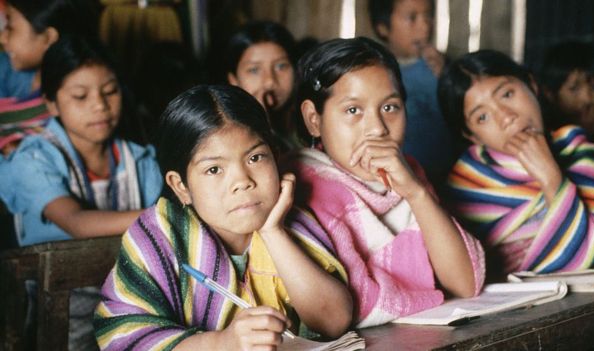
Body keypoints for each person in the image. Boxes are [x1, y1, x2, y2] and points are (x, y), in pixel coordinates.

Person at [93, 85, 353, 350]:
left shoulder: (293, 222)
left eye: (255, 157)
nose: (242, 181)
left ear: (275, 158)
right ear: (181, 186)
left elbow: (333, 322)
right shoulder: (161, 236)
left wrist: (273, 232)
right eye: (214, 169)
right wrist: (221, 343)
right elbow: (122, 336)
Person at [285, 37, 484, 328]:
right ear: (313, 119)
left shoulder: (408, 173)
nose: (377, 128)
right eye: (353, 110)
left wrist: (416, 193)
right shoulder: (305, 189)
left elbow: (464, 284)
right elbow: (351, 309)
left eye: (390, 107)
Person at [439, 50, 594, 279]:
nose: (506, 117)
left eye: (507, 94)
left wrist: (551, 178)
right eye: (482, 117)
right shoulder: (465, 184)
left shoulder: (581, 153)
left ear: (532, 85)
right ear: (472, 136)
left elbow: (587, 253)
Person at [0, 35, 163, 247]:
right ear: (51, 105)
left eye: (110, 91)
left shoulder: (140, 161)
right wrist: (164, 219)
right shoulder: (32, 160)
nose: (100, 106)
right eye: (80, 96)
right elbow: (76, 223)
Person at [368, 0, 454, 186]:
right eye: (412, 18)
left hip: (447, 174)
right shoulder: (374, 74)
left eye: (428, 16)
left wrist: (447, 77)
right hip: (399, 177)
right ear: (383, 27)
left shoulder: (440, 67)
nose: (424, 26)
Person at [0, 0, 98, 155]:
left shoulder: (76, 97)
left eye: (10, 28)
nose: (3, 38)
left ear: (48, 37)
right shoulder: (7, 68)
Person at [225, 21, 305, 151]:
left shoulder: (312, 124)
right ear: (233, 80)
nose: (270, 81)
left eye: (281, 66)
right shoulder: (223, 135)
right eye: (254, 70)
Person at [540, 41, 594, 137]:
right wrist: (584, 133)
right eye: (574, 89)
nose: (587, 98)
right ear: (549, 93)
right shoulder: (545, 131)